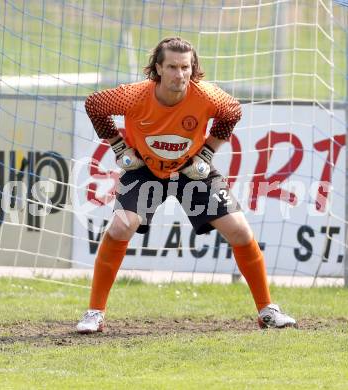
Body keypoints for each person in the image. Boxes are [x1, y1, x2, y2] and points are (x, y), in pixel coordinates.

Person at [77, 37, 297, 333]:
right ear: (158, 68)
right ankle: (95, 314)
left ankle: (267, 311)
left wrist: (207, 152)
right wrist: (119, 148)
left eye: (185, 67)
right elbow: (94, 104)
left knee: (240, 231)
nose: (179, 74)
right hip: (145, 169)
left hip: (191, 171)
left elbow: (233, 111)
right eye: (172, 67)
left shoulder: (207, 96)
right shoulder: (133, 96)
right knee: (120, 226)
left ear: (193, 68)